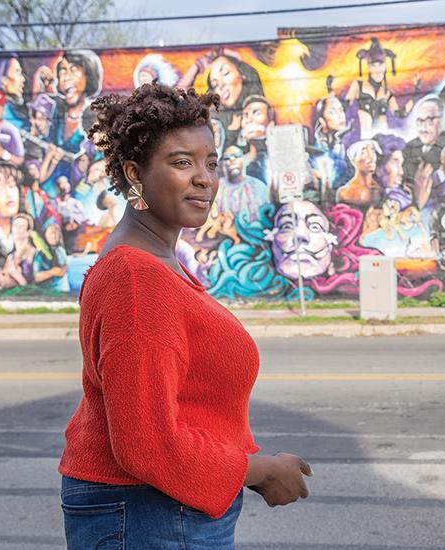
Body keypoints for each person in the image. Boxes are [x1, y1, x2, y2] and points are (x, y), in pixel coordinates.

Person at [58, 84, 312, 550]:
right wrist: (260, 470)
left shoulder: (158, 264)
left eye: (211, 163)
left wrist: (245, 466)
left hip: (160, 512)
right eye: (181, 162)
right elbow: (146, 441)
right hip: (148, 514)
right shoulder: (137, 278)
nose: (204, 179)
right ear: (135, 173)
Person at [344, 37, 419, 137]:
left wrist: (417, 91)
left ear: (385, 66)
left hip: (383, 140)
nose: (377, 70)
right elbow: (344, 106)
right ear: (368, 67)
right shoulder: (358, 85)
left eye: (381, 65)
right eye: (373, 65)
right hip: (365, 140)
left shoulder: (387, 92)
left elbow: (401, 114)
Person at [336, 139, 383, 207]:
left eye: (373, 150)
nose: (371, 157)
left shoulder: (381, 189)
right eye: (363, 152)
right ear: (353, 159)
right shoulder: (345, 192)